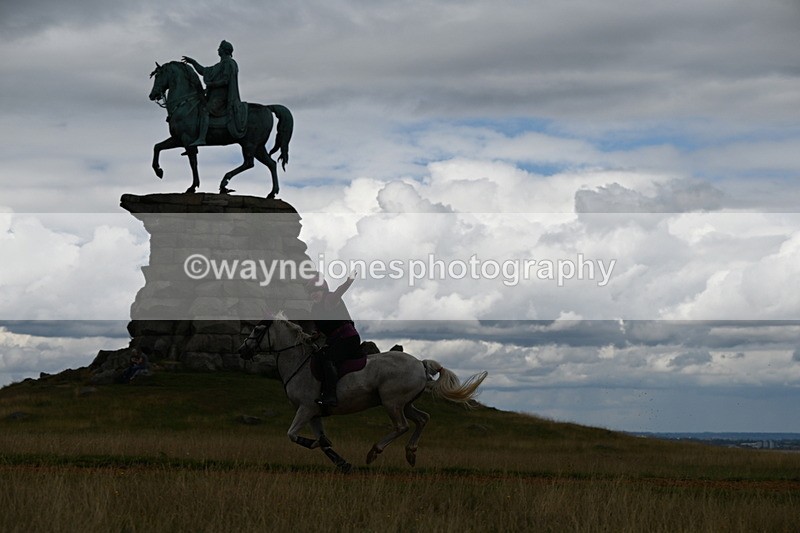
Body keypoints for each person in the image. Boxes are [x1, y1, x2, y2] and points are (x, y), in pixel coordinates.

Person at [307, 274, 361, 408]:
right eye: (311, 292)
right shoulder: (315, 309)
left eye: (317, 291)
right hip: (336, 340)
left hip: (348, 338)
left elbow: (340, 290)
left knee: (328, 359)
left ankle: (331, 397)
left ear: (324, 291)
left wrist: (348, 282)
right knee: (318, 357)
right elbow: (320, 331)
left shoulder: (329, 299)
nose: (314, 294)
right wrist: (313, 336)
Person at [182, 40, 247, 145]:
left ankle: (202, 138)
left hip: (222, 97)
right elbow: (204, 71)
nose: (218, 50)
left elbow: (225, 80)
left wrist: (212, 84)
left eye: (220, 48)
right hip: (214, 96)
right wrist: (193, 62)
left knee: (205, 111)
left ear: (224, 50)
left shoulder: (229, 63)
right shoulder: (220, 65)